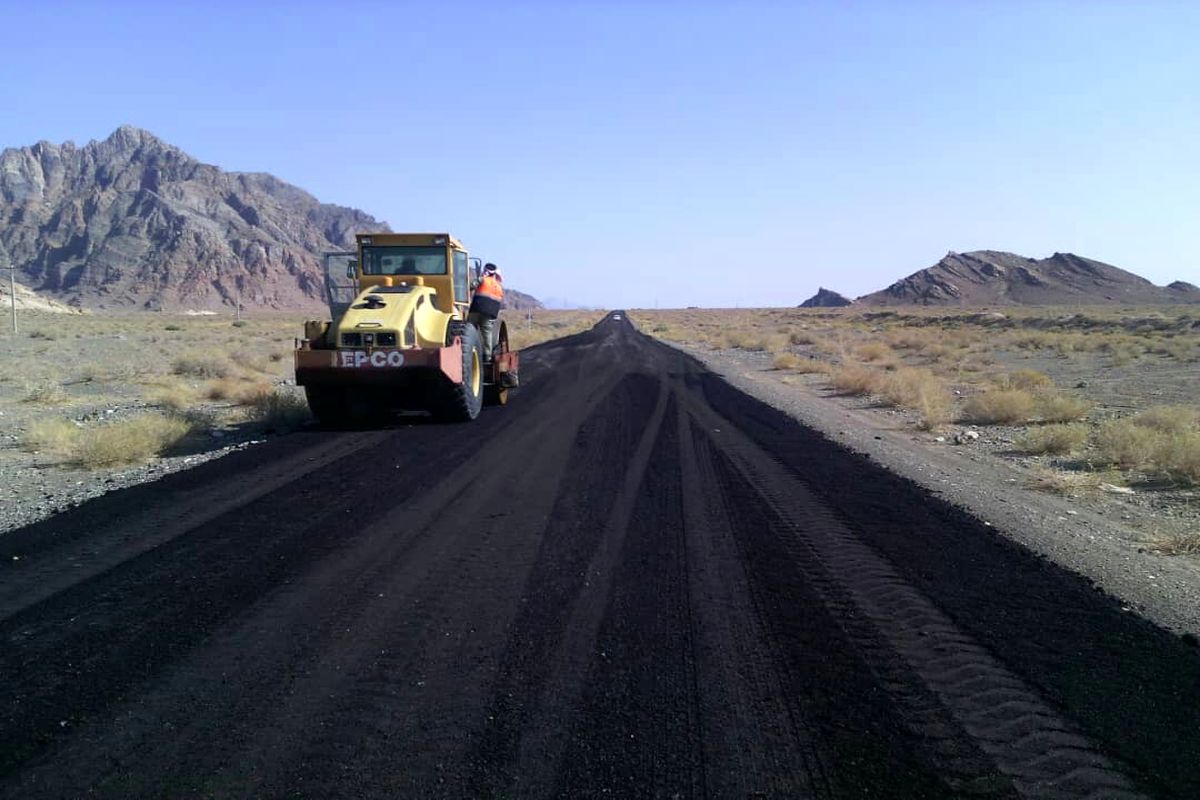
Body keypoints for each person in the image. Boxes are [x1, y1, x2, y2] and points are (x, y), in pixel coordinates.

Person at [469, 263, 504, 361]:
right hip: (490, 314)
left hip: (477, 309)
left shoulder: (483, 279)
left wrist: (478, 278)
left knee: (470, 329)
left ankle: (470, 351)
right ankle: (487, 356)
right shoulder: (499, 287)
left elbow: (471, 285)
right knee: (487, 334)